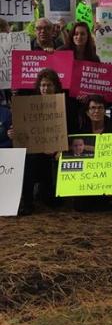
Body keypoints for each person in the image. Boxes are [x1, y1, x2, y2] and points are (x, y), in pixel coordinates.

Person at [10, 69, 66, 215]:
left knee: (54, 201)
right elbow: (22, 133)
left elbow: (68, 131)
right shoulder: (30, 104)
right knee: (29, 159)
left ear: (56, 87)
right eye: (42, 85)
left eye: (49, 85)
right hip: (35, 151)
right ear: (38, 87)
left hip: (56, 152)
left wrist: (60, 149)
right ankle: (27, 202)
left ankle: (45, 193)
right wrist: (13, 134)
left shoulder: (64, 104)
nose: (45, 88)